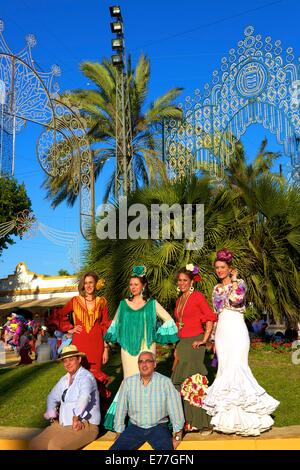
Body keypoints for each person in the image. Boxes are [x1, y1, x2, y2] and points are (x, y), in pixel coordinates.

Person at [203, 248, 280, 436]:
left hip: (237, 329)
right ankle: (227, 421)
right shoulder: (215, 289)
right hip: (222, 331)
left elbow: (237, 300)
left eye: (222, 267)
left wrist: (235, 280)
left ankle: (250, 419)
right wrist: (212, 338)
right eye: (217, 268)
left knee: (239, 368)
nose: (219, 270)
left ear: (230, 268)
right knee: (224, 371)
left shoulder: (241, 284)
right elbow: (219, 308)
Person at [104, 265, 179, 429]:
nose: (133, 287)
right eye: (131, 284)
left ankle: (150, 418)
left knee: (147, 380)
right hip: (127, 350)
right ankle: (126, 420)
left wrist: (155, 334)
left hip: (147, 347)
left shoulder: (152, 304)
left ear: (143, 285)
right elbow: (115, 324)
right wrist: (107, 345)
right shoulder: (123, 304)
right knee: (128, 381)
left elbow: (168, 319)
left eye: (136, 284)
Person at [171, 264, 217, 434]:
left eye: (185, 280)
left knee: (194, 383)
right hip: (183, 343)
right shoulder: (179, 299)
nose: (182, 283)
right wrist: (177, 345)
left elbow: (210, 318)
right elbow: (180, 324)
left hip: (195, 343)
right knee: (180, 383)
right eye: (180, 280)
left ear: (191, 281)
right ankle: (187, 422)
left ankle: (204, 423)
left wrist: (204, 340)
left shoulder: (197, 296)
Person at [29, 345, 100, 450]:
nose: (67, 363)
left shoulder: (86, 377)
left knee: (56, 446)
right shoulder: (64, 379)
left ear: (79, 359)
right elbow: (51, 397)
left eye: (71, 360)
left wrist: (77, 417)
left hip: (85, 425)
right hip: (62, 425)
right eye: (65, 361)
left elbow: (84, 397)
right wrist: (53, 417)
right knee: (35, 445)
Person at [110, 351, 184, 450]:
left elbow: (175, 409)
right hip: (135, 428)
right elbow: (121, 409)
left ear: (154, 364)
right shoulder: (129, 382)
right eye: (141, 362)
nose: (144, 364)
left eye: (148, 361)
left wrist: (178, 435)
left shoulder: (165, 382)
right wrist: (119, 433)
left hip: (158, 428)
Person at [53, 272, 111, 387]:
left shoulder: (102, 302)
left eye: (91, 282)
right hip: (80, 344)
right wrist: (69, 329)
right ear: (82, 285)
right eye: (85, 283)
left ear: (95, 284)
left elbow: (104, 325)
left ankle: (96, 403)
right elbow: (58, 315)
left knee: (96, 378)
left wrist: (106, 348)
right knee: (79, 375)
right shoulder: (75, 301)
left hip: (97, 344)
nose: (88, 285)